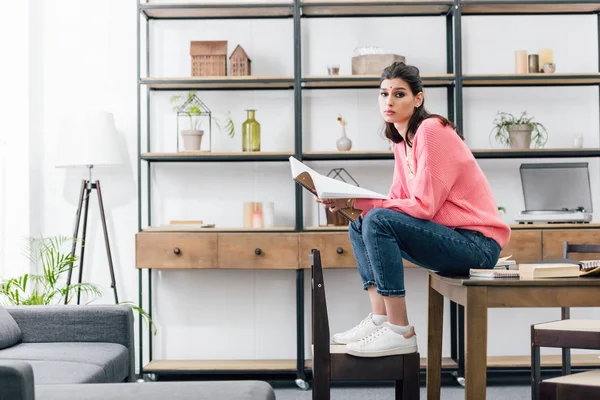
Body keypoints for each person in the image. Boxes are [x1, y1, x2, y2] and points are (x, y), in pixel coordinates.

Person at [316, 61, 511, 358]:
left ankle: (400, 330)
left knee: (376, 218)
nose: (389, 101)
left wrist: (362, 204)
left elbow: (424, 206)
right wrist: (349, 204)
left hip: (477, 245)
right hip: (450, 238)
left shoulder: (431, 130)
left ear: (418, 99)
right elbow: (396, 199)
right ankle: (380, 318)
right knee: (360, 221)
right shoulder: (401, 142)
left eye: (399, 94)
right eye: (383, 94)